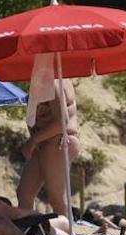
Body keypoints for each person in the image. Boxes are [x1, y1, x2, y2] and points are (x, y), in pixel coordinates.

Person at [15, 74, 79, 217]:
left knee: (56, 198)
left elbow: (61, 122)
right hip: (43, 142)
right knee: (24, 193)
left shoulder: (54, 81)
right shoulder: (41, 80)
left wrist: (33, 141)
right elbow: (33, 117)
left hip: (58, 141)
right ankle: (27, 232)